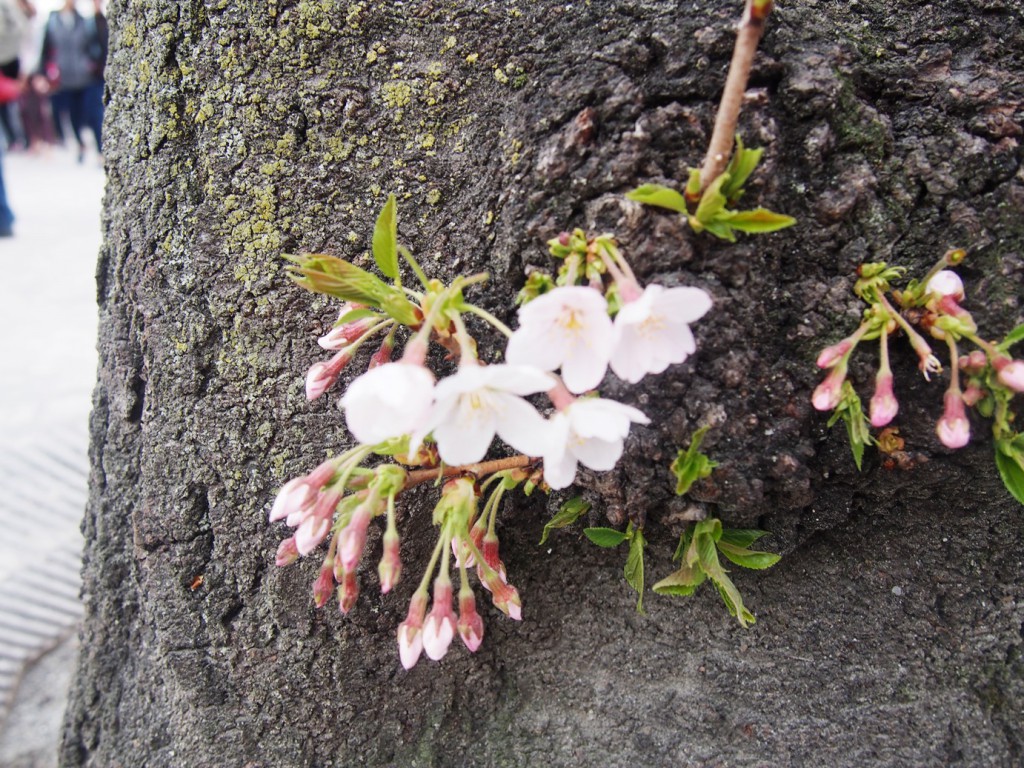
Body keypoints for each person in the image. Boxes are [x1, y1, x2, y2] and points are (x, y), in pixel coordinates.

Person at [40, 0, 103, 162]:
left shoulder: (84, 21)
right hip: (64, 76)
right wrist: (42, 73)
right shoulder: (53, 21)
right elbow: (45, 49)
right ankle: (80, 143)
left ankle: (99, 149)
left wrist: (93, 64)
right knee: (72, 114)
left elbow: (94, 45)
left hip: (84, 75)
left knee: (92, 111)